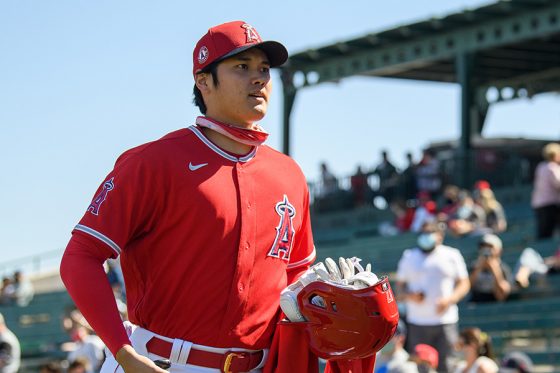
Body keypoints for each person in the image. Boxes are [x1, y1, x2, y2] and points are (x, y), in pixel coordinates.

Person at [60, 21, 388, 373]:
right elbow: (80, 257)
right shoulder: (152, 162)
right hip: (161, 363)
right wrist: (123, 352)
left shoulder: (290, 174)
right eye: (242, 67)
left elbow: (295, 277)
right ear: (203, 81)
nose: (259, 78)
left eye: (264, 69)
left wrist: (324, 302)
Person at [396, 222, 471, 373]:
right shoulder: (409, 257)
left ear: (440, 236)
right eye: (423, 232)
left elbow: (464, 283)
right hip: (417, 321)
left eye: (430, 232)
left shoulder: (451, 255)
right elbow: (399, 286)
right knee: (419, 367)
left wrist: (449, 300)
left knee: (447, 364)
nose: (426, 235)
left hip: (445, 321)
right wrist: (409, 296)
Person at [468, 234, 513, 302]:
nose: (486, 250)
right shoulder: (474, 266)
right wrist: (478, 268)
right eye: (483, 247)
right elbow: (467, 287)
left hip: (495, 303)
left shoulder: (503, 268)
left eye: (490, 247)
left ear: (499, 250)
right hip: (476, 302)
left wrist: (495, 269)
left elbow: (503, 294)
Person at [530, 142, 560, 239]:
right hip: (550, 204)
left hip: (538, 204)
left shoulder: (541, 166)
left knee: (543, 232)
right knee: (547, 232)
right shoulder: (553, 168)